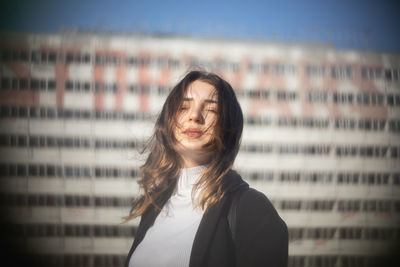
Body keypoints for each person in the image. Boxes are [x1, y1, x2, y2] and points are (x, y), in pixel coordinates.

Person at [124, 70, 288, 267]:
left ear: (227, 126)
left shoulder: (250, 208)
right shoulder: (154, 206)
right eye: (183, 107)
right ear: (168, 123)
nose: (194, 115)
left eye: (211, 110)